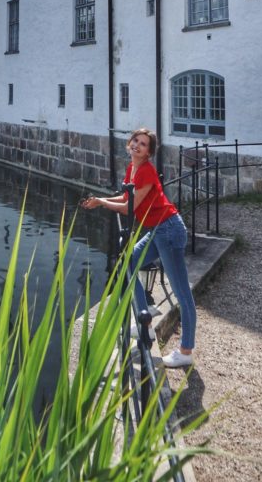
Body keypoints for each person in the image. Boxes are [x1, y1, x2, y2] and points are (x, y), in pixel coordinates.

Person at [81, 127, 196, 368]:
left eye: (143, 144)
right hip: (157, 230)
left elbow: (128, 209)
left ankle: (185, 351)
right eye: (135, 140)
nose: (137, 145)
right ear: (129, 143)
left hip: (168, 230)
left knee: (182, 292)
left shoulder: (145, 172)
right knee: (129, 261)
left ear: (148, 152)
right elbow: (125, 198)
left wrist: (102, 202)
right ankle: (146, 323)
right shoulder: (132, 168)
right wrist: (100, 201)